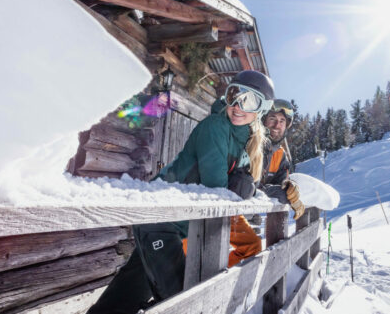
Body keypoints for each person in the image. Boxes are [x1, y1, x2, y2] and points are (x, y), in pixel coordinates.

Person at [87, 70, 275, 314]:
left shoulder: (247, 141)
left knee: (124, 295)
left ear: (263, 109)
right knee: (182, 304)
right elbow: (217, 190)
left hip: (175, 223)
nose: (238, 105)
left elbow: (243, 187)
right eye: (234, 95)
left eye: (249, 101)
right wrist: (241, 190)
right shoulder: (216, 125)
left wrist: (251, 190)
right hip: (161, 218)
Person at [226, 99, 305, 268]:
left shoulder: (281, 156)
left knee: (250, 253)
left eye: (282, 121)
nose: (277, 125)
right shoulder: (249, 141)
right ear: (263, 119)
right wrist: (273, 192)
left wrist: (289, 189)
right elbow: (242, 182)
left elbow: (280, 188)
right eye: (273, 119)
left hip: (245, 218)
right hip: (223, 211)